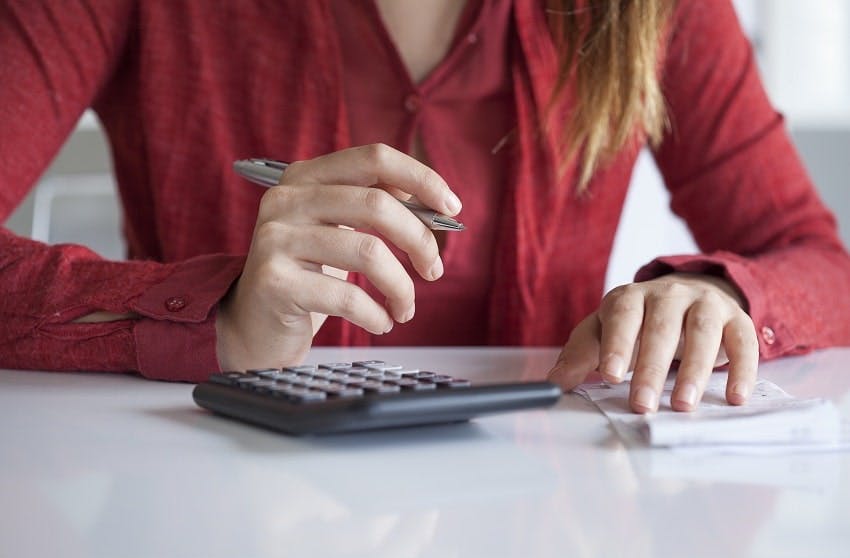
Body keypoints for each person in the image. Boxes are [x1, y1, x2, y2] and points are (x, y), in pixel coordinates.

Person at [1, 0, 848, 415]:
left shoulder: (656, 11)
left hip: (540, 521)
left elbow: (816, 262)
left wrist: (724, 297)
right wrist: (219, 321)